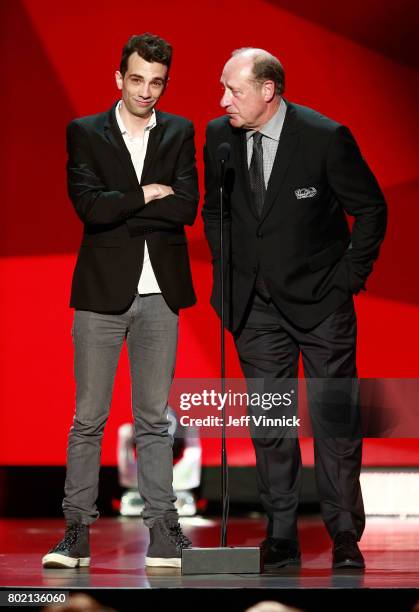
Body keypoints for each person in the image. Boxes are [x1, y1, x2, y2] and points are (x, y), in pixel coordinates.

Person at [202, 47, 387, 569]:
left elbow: (371, 209)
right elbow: (215, 211)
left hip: (321, 304)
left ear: (268, 90)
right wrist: (227, 269)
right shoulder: (219, 137)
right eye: (223, 89)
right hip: (254, 309)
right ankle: (280, 533)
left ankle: (345, 534)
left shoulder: (325, 137)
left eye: (233, 90)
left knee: (334, 422)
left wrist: (348, 278)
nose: (223, 101)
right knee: (270, 422)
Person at [42, 33, 198, 569]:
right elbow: (89, 208)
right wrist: (147, 195)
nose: (146, 91)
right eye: (137, 80)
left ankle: (164, 531)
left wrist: (126, 207)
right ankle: (76, 534)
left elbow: (186, 210)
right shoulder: (86, 132)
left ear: (165, 83)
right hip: (102, 294)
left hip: (161, 295)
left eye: (156, 82)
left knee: (155, 419)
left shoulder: (179, 131)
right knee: (89, 417)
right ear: (119, 78)